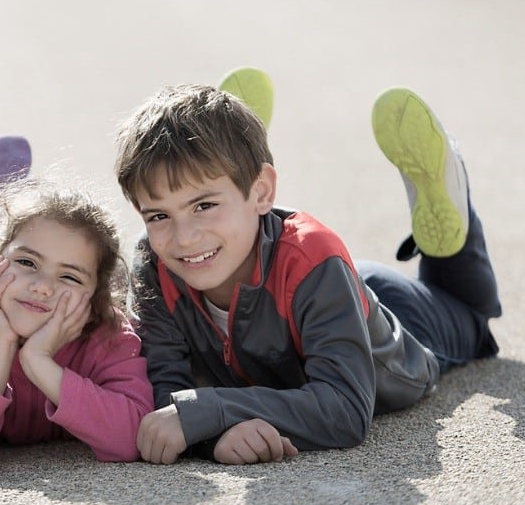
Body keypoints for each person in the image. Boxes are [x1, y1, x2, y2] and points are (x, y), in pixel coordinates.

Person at [115, 84, 500, 465]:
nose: (183, 238)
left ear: (264, 191)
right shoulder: (155, 263)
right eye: (159, 215)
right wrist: (215, 437)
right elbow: (166, 401)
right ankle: (231, 168)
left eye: (204, 205)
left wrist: (217, 409)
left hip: (391, 331)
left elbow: (345, 408)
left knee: (471, 317)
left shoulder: (314, 258)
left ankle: (450, 205)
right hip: (324, 293)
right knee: (268, 255)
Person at [0, 176, 154, 473]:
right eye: (27, 263)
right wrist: (2, 344)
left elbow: (132, 438)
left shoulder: (109, 337)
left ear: (97, 297)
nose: (43, 287)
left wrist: (39, 361)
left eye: (69, 277)